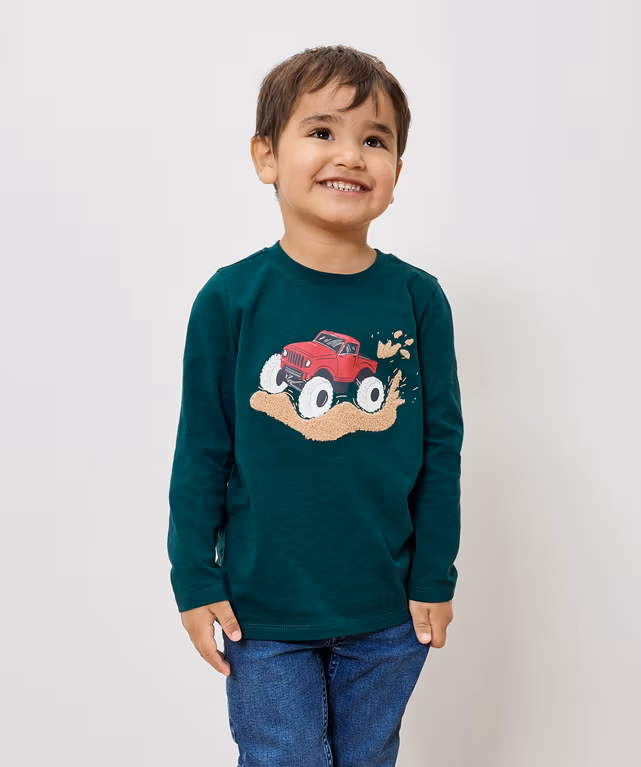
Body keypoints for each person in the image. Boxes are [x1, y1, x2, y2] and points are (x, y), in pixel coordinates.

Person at [167, 43, 464, 766]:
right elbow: (202, 450)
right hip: (262, 610)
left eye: (375, 140)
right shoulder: (230, 298)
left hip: (386, 609)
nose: (351, 155)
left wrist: (434, 573)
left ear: (397, 172)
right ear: (266, 156)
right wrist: (194, 576)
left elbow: (440, 448)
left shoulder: (417, 300)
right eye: (323, 131)